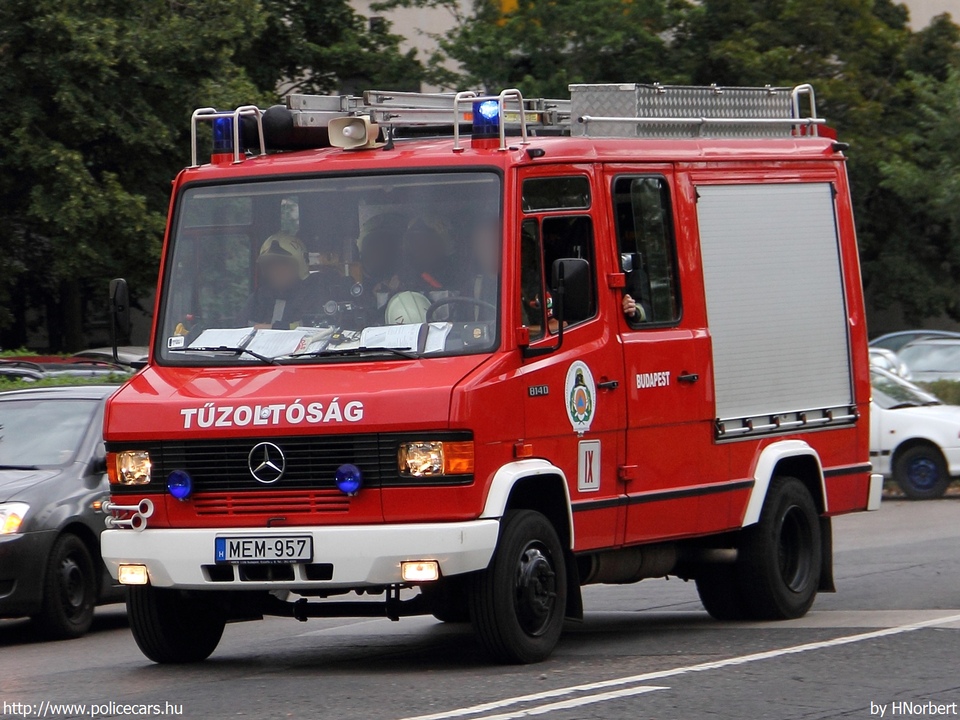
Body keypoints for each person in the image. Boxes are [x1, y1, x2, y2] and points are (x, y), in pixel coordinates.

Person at [239, 233, 316, 329]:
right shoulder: (257, 299)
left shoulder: (314, 298)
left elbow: (319, 329)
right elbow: (238, 331)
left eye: (284, 264)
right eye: (270, 265)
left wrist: (274, 328)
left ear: (301, 266)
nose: (276, 270)